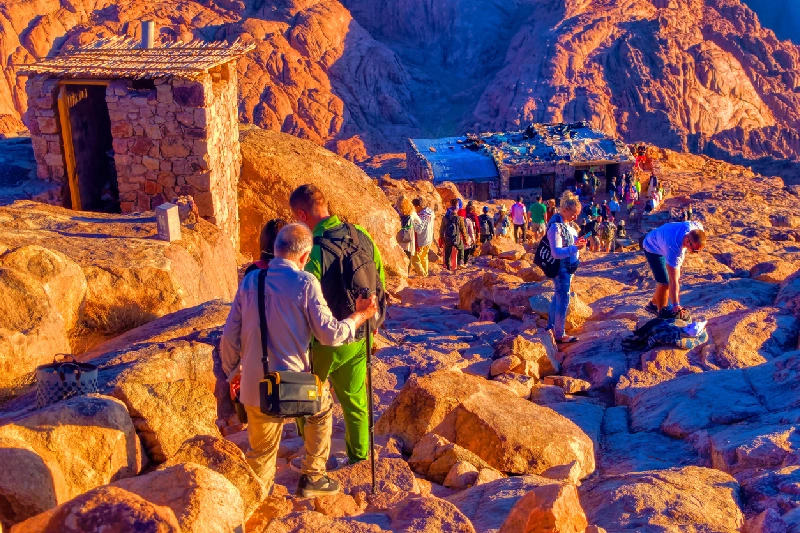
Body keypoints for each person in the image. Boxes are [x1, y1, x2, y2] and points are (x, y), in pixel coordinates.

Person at [220, 223, 379, 497]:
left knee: (260, 453)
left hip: (256, 388)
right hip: (294, 388)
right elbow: (330, 334)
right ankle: (313, 477)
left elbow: (229, 337)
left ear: (276, 250)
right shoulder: (306, 283)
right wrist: (361, 316)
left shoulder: (251, 281)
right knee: (323, 406)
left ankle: (256, 501)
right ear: (305, 257)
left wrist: (233, 371)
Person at [289, 185, 386, 466]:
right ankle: (359, 457)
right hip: (360, 334)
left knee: (305, 400)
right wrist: (373, 319)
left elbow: (304, 298)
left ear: (302, 214)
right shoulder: (361, 235)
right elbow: (378, 277)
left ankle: (311, 458)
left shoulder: (314, 252)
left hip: (324, 343)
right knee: (356, 402)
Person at [545, 191, 587, 344]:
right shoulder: (556, 227)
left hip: (568, 268)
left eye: (577, 214)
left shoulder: (567, 225)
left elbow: (568, 243)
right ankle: (559, 334)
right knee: (563, 300)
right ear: (564, 210)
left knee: (558, 297)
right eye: (574, 214)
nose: (575, 217)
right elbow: (556, 253)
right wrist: (575, 248)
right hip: (561, 269)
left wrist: (577, 242)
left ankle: (551, 326)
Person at [642, 221, 706, 319]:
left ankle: (652, 306)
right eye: (695, 250)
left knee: (665, 282)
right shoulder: (674, 249)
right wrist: (676, 304)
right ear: (688, 241)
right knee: (664, 283)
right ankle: (661, 315)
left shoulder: (697, 228)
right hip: (652, 247)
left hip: (662, 237)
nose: (696, 253)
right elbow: (674, 281)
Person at [440, 198, 467, 270]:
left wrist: (441, 238)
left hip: (448, 238)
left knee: (447, 252)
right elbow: (463, 230)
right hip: (457, 239)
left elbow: (442, 229)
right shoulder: (459, 218)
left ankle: (447, 266)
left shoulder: (445, 218)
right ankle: (460, 262)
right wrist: (465, 239)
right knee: (461, 248)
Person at [397, 198, 422, 275]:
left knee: (400, 257)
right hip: (409, 239)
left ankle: (401, 273)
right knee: (408, 257)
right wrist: (413, 225)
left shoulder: (397, 212)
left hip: (399, 238)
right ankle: (407, 274)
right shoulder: (412, 213)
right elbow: (420, 222)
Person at [411, 198, 435, 277]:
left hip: (421, 240)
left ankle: (422, 274)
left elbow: (418, 229)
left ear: (418, 206)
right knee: (424, 257)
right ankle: (426, 273)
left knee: (415, 259)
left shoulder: (422, 216)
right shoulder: (431, 213)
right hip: (429, 239)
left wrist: (411, 222)